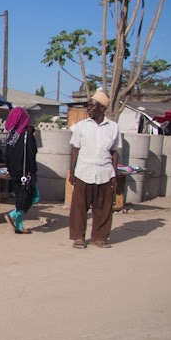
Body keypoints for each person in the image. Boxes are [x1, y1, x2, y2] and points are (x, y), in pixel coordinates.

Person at [68, 89, 120, 249]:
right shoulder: (80, 127)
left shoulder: (114, 128)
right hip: (83, 172)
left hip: (104, 173)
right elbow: (75, 150)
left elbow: (115, 152)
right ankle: (78, 237)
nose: (88, 109)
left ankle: (100, 237)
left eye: (91, 106)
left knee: (103, 208)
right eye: (87, 106)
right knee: (79, 208)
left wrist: (114, 174)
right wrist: (72, 172)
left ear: (102, 108)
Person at [3, 107, 38, 234]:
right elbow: (32, 153)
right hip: (26, 172)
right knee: (33, 196)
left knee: (20, 197)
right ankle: (13, 214)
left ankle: (19, 226)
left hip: (14, 172)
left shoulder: (10, 136)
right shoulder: (26, 135)